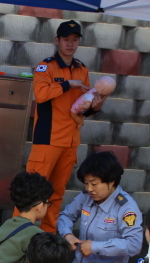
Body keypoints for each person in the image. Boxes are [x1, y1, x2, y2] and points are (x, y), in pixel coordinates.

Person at [26, 20, 108, 232]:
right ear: (57, 41)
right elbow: (41, 95)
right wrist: (67, 84)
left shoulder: (82, 69)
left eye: (74, 40)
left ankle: (48, 235)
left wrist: (97, 105)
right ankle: (20, 235)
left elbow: (83, 106)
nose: (70, 44)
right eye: (66, 39)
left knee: (56, 193)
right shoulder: (46, 67)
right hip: (48, 138)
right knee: (32, 191)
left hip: (70, 141)